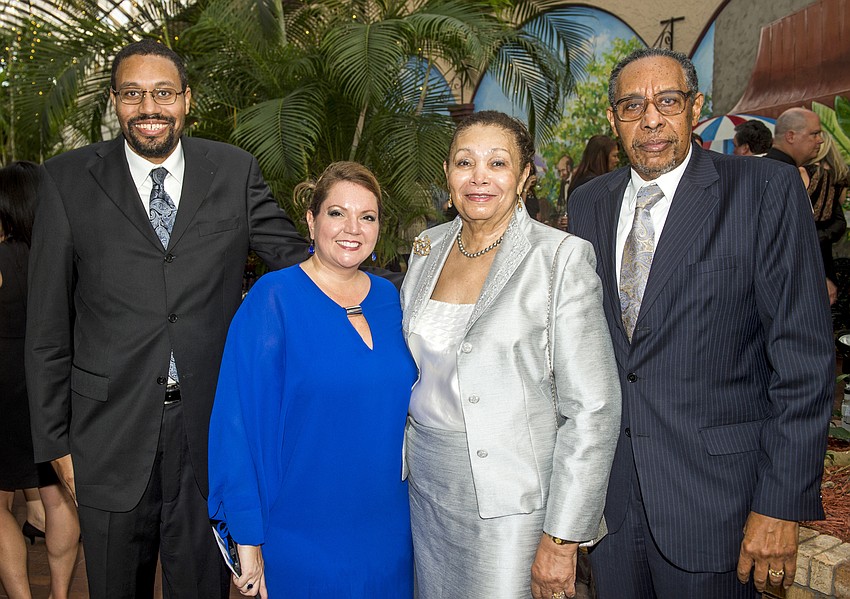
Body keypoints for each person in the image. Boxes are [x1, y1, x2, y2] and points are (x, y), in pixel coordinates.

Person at [25, 40, 307, 599]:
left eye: (162, 93)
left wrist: (379, 284)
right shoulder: (64, 181)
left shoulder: (233, 171)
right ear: (114, 101)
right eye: (132, 94)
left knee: (203, 587)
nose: (148, 107)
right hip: (104, 436)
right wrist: (55, 443)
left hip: (210, 432)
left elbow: (299, 267)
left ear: (186, 100)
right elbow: (46, 329)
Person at [569, 47, 834, 598]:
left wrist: (779, 503)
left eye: (667, 101)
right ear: (612, 118)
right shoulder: (588, 203)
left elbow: (804, 361)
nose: (650, 119)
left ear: (695, 108)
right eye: (631, 105)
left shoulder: (762, 192)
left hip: (719, 506)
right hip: (612, 508)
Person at [401, 110, 621, 599]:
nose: (479, 177)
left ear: (524, 176)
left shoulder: (560, 257)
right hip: (425, 487)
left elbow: (593, 410)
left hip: (515, 503)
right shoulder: (426, 248)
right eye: (465, 162)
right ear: (447, 173)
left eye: (498, 164)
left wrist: (563, 537)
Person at [208, 161, 416, 597]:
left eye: (368, 216)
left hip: (389, 530)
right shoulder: (273, 299)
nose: (352, 228)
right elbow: (236, 425)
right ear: (311, 219)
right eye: (337, 212)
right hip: (299, 531)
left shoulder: (393, 300)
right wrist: (247, 537)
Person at [0, 161, 80, 599]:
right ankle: (61, 594)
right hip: (52, 383)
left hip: (3, 388)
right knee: (58, 497)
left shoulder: (2, 257)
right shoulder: (65, 253)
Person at [805, 133, 849, 305]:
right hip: (826, 243)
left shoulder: (807, 171)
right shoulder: (839, 174)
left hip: (808, 238)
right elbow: (837, 210)